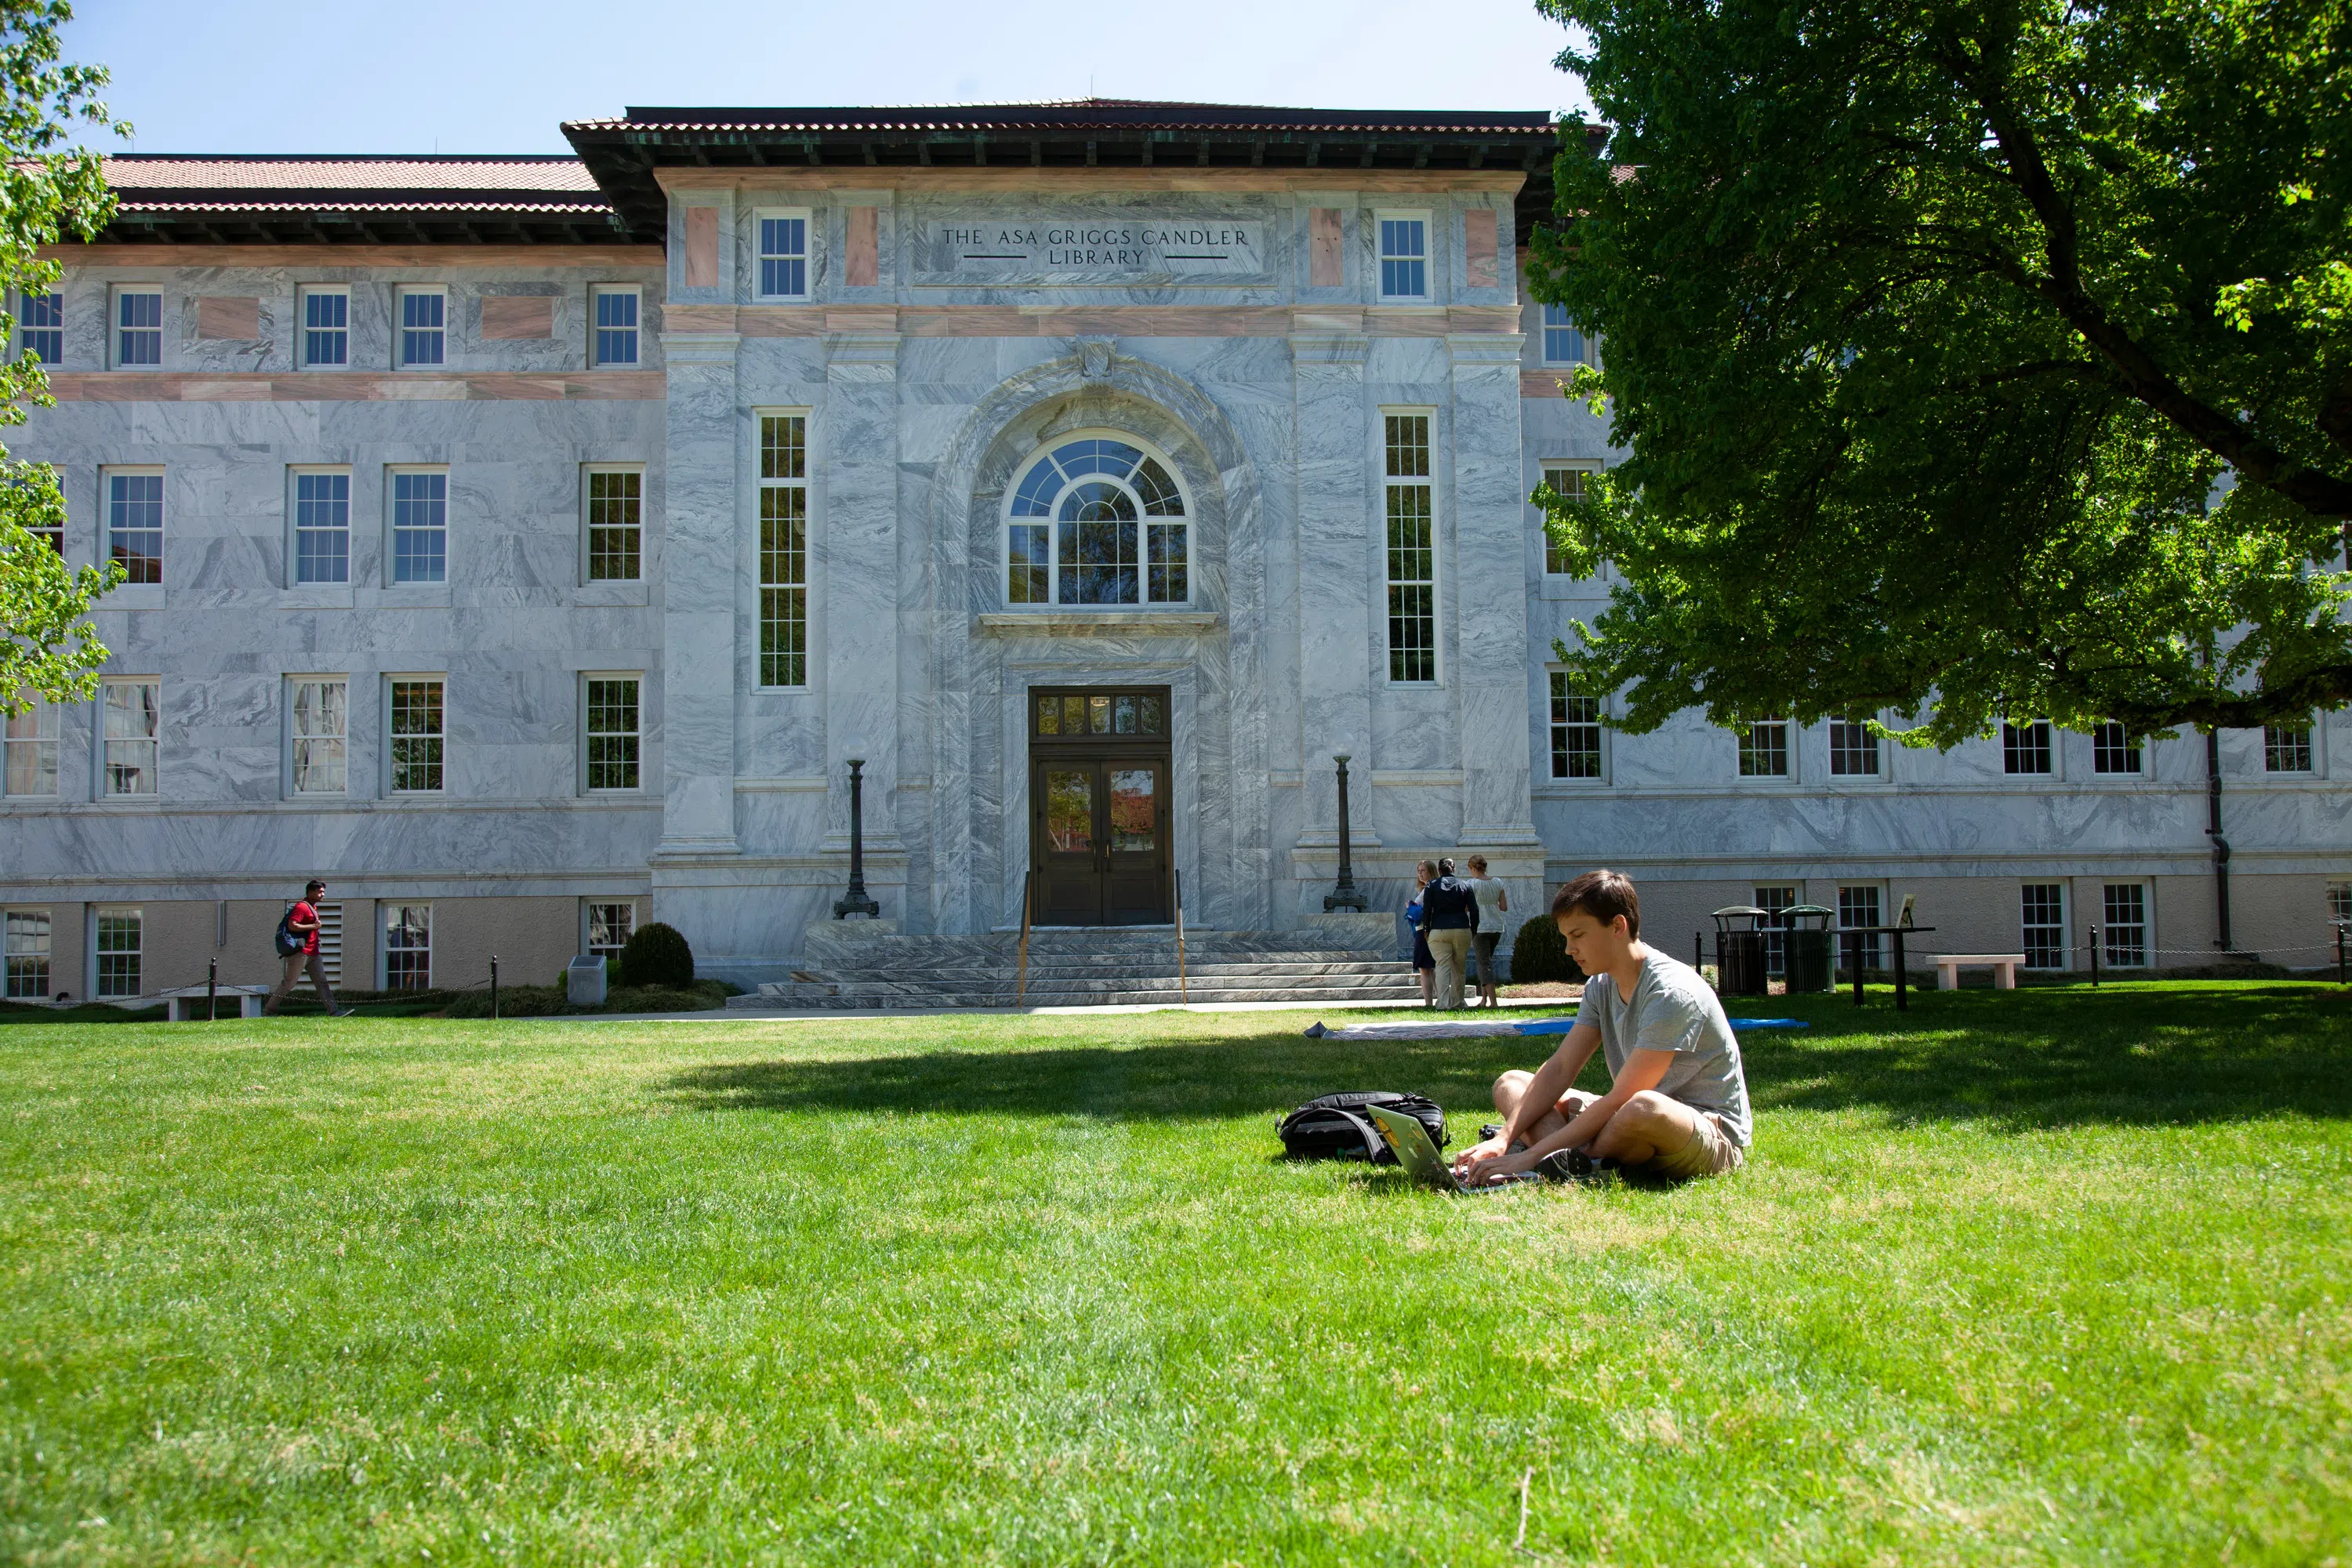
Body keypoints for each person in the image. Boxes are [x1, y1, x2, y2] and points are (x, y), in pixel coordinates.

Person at [1454, 868, 1750, 1183]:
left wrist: (1529, 1155)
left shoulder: (1671, 992)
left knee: (1643, 1107)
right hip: (1624, 1120)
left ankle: (1569, 1161)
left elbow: (1625, 1097)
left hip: (1705, 1131)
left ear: (1618, 926)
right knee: (1511, 1084)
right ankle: (1579, 1163)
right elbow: (1561, 1067)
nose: (1569, 949)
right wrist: (1503, 1138)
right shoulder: (1600, 985)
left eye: (1578, 935)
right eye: (1566, 938)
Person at [263, 879, 344, 1017]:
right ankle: (268, 1011)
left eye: (323, 892)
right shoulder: (302, 907)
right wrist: (313, 926)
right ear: (310, 892)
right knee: (289, 983)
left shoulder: (312, 907)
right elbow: (292, 925)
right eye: (320, 892)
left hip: (313, 953)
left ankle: (334, 1011)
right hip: (300, 953)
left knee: (322, 982)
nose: (323, 895)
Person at [1420, 856, 1480, 1011]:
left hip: (1439, 929)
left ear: (1439, 871)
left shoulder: (1431, 886)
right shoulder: (1465, 885)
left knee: (1442, 967)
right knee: (1459, 967)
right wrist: (1473, 929)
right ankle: (1458, 1002)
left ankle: (1443, 1003)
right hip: (1462, 928)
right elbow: (1474, 910)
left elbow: (1427, 911)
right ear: (1453, 869)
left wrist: (1426, 929)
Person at [1464, 854, 1509, 1007]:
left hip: (1480, 928)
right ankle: (1484, 1000)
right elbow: (1504, 907)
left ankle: (1494, 1002)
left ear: (1472, 868)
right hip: (1496, 927)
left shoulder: (1471, 884)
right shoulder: (1497, 882)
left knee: (1484, 964)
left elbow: (1466, 908)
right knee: (1485, 961)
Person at [1404, 861, 1436, 1007]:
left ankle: (1429, 1003)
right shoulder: (1427, 888)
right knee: (1430, 969)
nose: (1420, 873)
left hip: (1423, 931)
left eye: (1423, 870)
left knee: (1425, 969)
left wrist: (1410, 907)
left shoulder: (1430, 888)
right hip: (1427, 930)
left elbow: (1422, 913)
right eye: (1418, 870)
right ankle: (1441, 999)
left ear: (1431, 871)